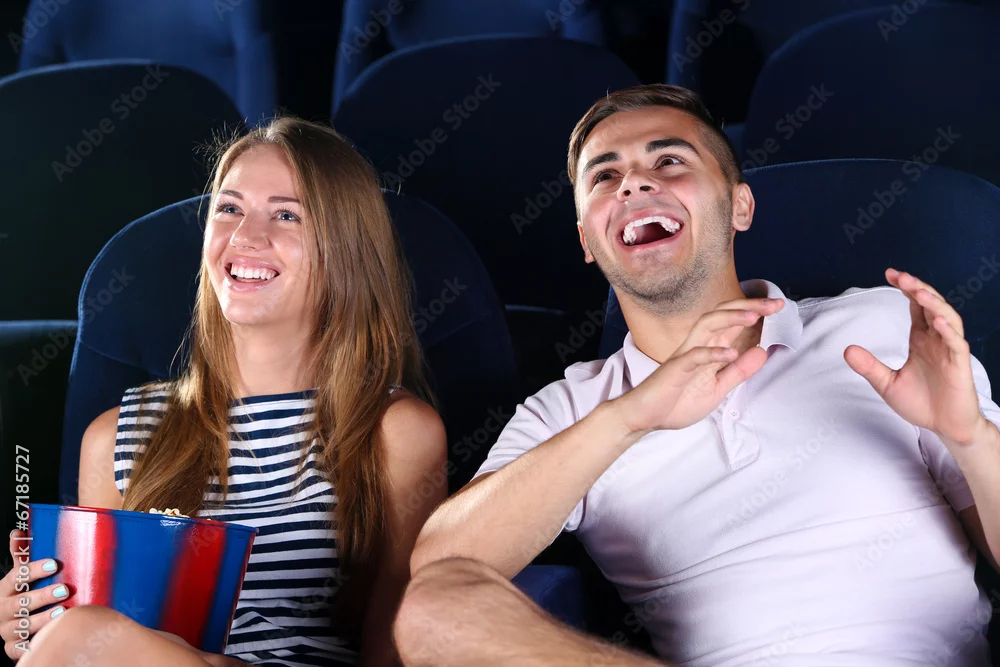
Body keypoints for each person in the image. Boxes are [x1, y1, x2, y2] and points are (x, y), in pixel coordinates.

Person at [397, 84, 1000, 666]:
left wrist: (969, 436)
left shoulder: (881, 324)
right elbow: (436, 573)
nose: (633, 182)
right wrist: (629, 418)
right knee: (430, 614)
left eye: (669, 161)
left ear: (740, 206)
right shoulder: (571, 409)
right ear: (586, 240)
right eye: (605, 176)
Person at [1, 117, 447, 667]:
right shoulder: (114, 436)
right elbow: (88, 631)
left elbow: (401, 642)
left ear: (346, 251)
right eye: (229, 209)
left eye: (287, 215)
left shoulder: (396, 430)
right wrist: (35, 621)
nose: (245, 237)